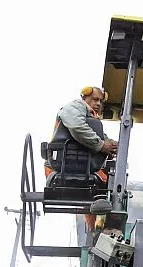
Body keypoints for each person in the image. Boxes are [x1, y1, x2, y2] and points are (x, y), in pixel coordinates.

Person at [46, 86, 119, 231]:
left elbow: (101, 139)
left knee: (109, 191)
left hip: (85, 170)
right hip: (64, 167)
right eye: (95, 99)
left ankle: (98, 232)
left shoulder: (91, 120)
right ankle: (99, 230)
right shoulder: (74, 107)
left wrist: (113, 146)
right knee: (103, 191)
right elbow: (77, 126)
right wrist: (101, 145)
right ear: (84, 97)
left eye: (101, 101)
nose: (98, 104)